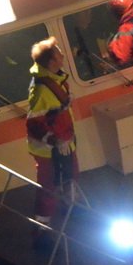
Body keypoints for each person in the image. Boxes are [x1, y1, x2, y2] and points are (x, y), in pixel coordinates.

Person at [26, 37, 80, 246]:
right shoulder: (41, 89)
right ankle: (41, 231)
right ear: (51, 62)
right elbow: (34, 123)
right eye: (58, 54)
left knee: (72, 177)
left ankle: (71, 208)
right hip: (49, 149)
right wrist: (55, 140)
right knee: (48, 189)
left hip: (65, 143)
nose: (63, 56)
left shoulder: (56, 80)